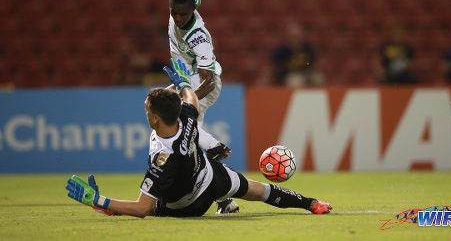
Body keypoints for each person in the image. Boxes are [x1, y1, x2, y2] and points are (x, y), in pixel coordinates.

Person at [65, 59, 332, 218]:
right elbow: (191, 97)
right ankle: (312, 204)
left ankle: (111, 207)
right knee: (258, 190)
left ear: (156, 118)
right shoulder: (186, 117)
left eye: (147, 108)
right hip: (210, 177)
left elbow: (141, 208)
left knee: (155, 207)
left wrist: (96, 200)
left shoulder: (162, 159)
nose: (145, 111)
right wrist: (182, 82)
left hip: (188, 205)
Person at [166, 0, 232, 186]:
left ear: (192, 10)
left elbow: (210, 81)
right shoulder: (183, 7)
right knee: (188, 141)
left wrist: (188, 101)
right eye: (174, 12)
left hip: (203, 83)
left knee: (169, 109)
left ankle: (214, 146)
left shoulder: (199, 38)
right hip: (188, 79)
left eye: (183, 14)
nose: (178, 18)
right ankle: (224, 199)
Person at [270, 22, 324, 87]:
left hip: (305, 73)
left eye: (297, 36)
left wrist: (310, 68)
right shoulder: (282, 50)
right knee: (296, 81)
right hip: (289, 74)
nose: (295, 39)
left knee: (318, 78)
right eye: (293, 36)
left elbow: (312, 63)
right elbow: (273, 66)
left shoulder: (307, 48)